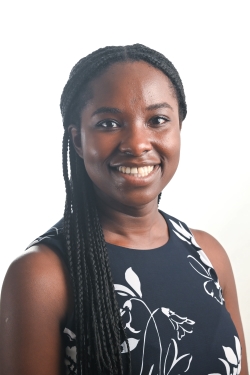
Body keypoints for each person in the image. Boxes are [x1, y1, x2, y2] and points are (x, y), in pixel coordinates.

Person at [0, 44, 248, 375]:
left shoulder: (208, 254)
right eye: (108, 124)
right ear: (77, 139)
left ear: (178, 129)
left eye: (157, 120)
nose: (137, 143)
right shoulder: (42, 275)